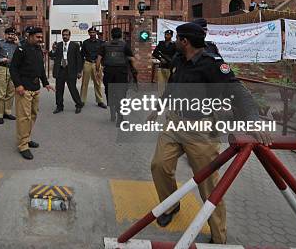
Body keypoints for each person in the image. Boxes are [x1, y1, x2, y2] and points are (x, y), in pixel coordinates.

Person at [150, 22, 271, 244]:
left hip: (201, 129)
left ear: (185, 41)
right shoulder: (179, 60)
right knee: (159, 165)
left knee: (209, 184)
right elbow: (172, 87)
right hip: (174, 123)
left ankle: (218, 235)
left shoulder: (212, 65)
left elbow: (237, 90)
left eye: (178, 38)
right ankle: (171, 205)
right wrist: (158, 109)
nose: (175, 41)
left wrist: (253, 120)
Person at [9, 27, 54, 160]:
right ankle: (23, 145)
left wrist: (45, 83)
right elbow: (13, 69)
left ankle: (27, 138)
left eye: (41, 37)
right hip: (24, 90)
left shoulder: (38, 50)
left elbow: (40, 68)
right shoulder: (21, 49)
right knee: (24, 118)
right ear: (30, 36)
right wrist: (18, 85)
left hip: (35, 88)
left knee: (33, 115)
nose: (40, 39)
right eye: (38, 37)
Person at [96, 27, 136, 126]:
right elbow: (132, 59)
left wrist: (97, 71)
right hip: (121, 73)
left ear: (111, 35)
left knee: (110, 93)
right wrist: (134, 70)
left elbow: (98, 60)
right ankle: (120, 118)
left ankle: (113, 112)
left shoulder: (104, 45)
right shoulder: (125, 45)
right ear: (121, 35)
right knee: (121, 95)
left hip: (108, 72)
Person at [50, 29, 84, 114]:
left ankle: (78, 105)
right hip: (60, 70)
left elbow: (79, 59)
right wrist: (53, 50)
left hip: (71, 70)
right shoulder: (58, 45)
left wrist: (79, 71)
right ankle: (59, 106)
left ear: (69, 36)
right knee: (59, 90)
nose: (65, 36)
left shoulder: (75, 45)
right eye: (63, 35)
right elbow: (52, 55)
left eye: (66, 35)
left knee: (73, 89)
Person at [0, 27, 18, 124]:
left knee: (11, 92)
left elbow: (24, 52)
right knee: (1, 93)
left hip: (14, 70)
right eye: (9, 34)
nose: (11, 36)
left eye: (12, 34)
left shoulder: (17, 44)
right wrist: (0, 59)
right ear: (5, 35)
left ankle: (7, 112)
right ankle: (0, 115)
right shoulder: (0, 43)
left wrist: (18, 43)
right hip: (3, 69)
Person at [80, 27, 106, 109]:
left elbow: (103, 55)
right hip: (87, 63)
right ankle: (82, 100)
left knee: (97, 83)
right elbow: (81, 55)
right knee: (84, 83)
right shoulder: (85, 43)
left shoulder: (101, 43)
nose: (92, 34)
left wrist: (103, 65)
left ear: (96, 33)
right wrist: (80, 68)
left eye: (93, 32)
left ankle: (100, 101)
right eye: (90, 32)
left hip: (97, 64)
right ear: (88, 33)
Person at [152, 29, 176, 96]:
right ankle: (161, 96)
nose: (166, 36)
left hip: (170, 67)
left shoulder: (174, 45)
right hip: (162, 66)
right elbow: (154, 53)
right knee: (161, 84)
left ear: (171, 36)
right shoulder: (161, 43)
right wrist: (160, 58)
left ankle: (169, 96)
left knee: (170, 84)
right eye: (165, 34)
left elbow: (176, 55)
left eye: (168, 35)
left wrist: (171, 60)